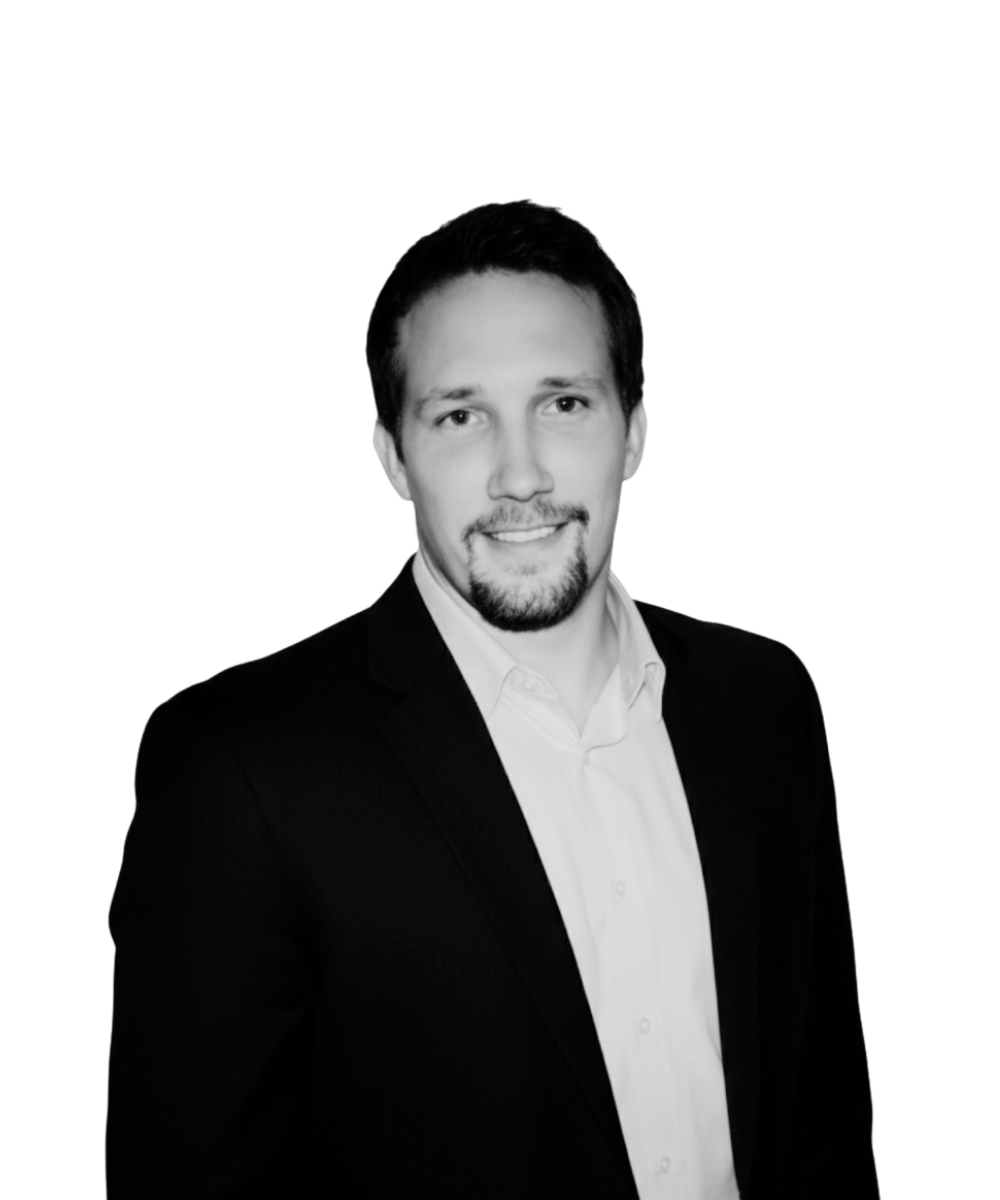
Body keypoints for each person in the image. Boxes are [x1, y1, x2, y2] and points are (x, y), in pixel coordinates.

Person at [106, 200, 878, 1198]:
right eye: (461, 415)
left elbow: (820, 1105)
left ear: (634, 432)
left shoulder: (765, 701)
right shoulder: (237, 763)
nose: (519, 474)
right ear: (393, 457)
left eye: (563, 404)